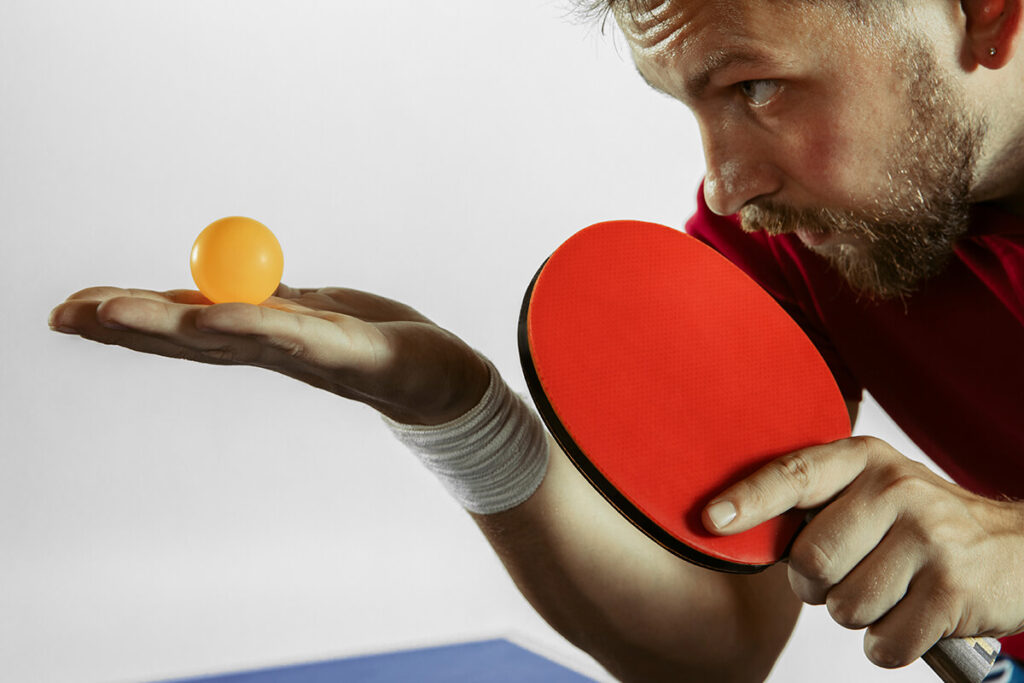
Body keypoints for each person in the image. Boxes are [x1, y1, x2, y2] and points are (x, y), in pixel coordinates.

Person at [48, 0, 1024, 681]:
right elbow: (720, 647)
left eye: (757, 88)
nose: (724, 184)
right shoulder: (789, 234)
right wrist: (466, 421)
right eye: (687, 102)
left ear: (985, 13)